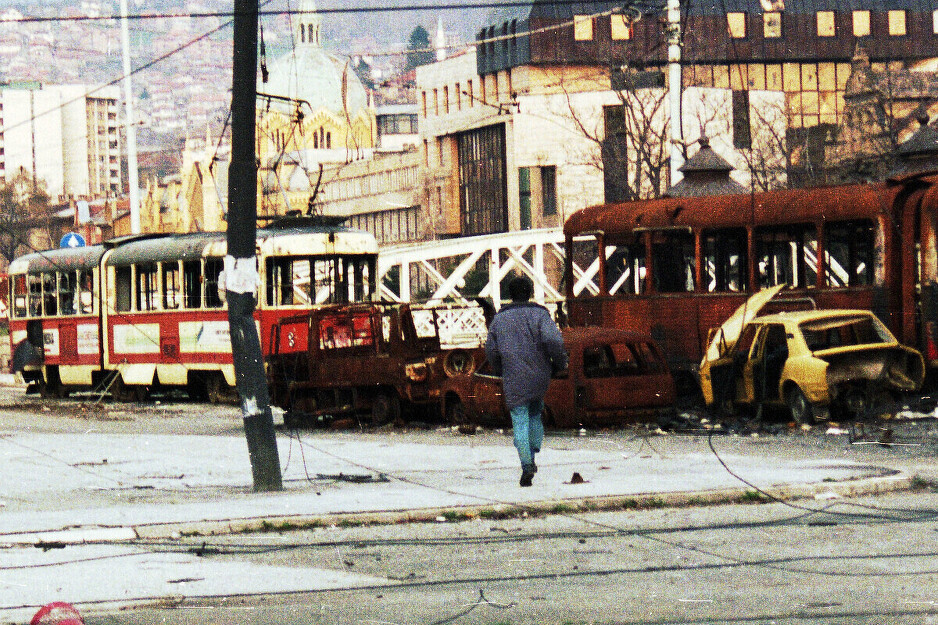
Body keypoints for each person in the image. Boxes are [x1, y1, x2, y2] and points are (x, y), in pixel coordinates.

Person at [485, 276, 567, 487]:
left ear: (510, 295)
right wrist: (559, 363)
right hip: (540, 375)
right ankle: (533, 450)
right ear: (529, 293)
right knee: (535, 413)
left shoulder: (499, 320)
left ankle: (526, 463)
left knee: (519, 418)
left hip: (513, 376)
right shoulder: (540, 315)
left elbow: (491, 351)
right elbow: (554, 340)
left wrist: (499, 368)